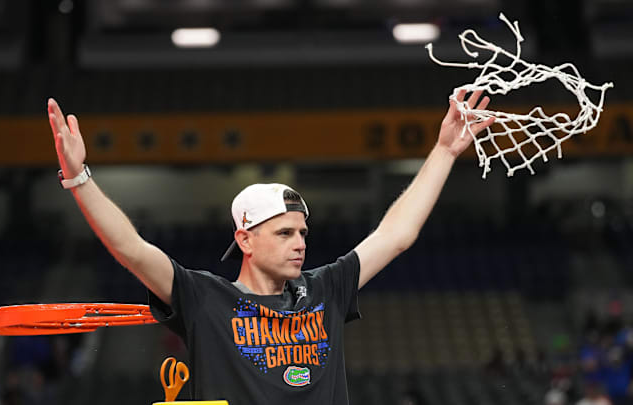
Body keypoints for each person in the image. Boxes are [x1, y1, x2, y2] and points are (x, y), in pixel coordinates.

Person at [46, 90, 494, 404]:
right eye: (284, 234)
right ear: (245, 239)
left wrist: (444, 152)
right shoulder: (205, 299)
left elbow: (397, 235)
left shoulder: (326, 289)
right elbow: (131, 248)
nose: (300, 244)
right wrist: (78, 178)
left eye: (302, 233)